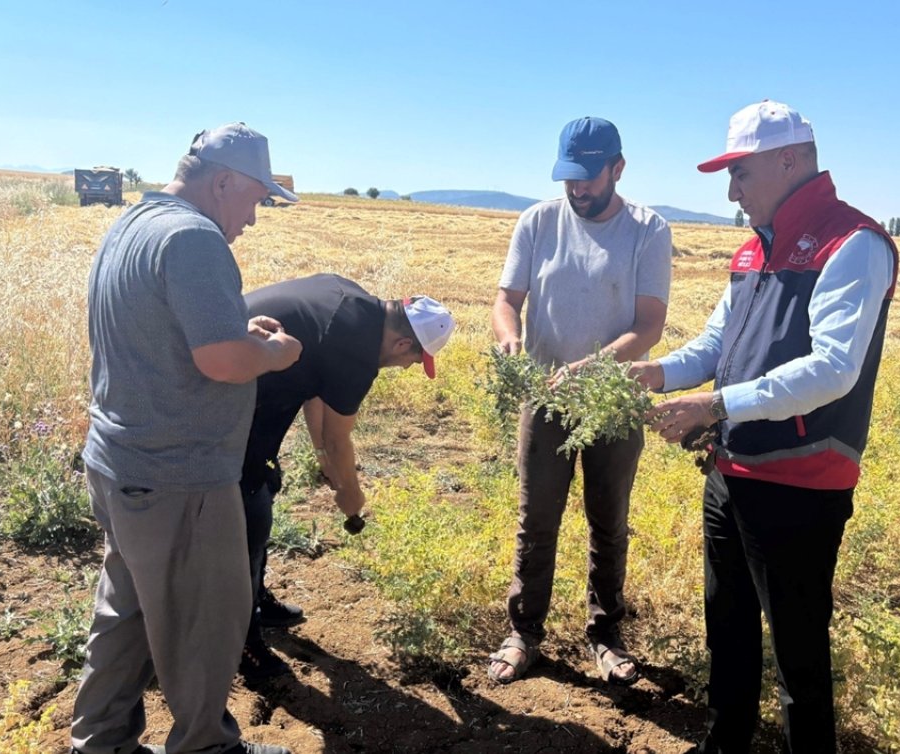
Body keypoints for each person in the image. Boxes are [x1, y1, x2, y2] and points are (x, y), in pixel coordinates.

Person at [632, 101, 898, 753]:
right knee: (728, 627)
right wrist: (656, 374)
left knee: (798, 654)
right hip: (733, 473)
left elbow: (834, 369)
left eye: (740, 173)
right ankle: (726, 744)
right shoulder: (754, 249)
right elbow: (717, 342)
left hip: (801, 482)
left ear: (789, 160)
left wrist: (715, 407)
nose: (731, 191)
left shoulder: (852, 244)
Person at [72, 123, 303, 754]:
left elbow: (174, 336)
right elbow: (222, 363)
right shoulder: (195, 238)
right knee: (205, 623)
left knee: (128, 614)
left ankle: (100, 742)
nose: (254, 219)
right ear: (223, 181)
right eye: (256, 200)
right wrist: (276, 352)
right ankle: (206, 746)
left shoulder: (132, 224)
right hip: (179, 477)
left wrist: (237, 331)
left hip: (121, 465)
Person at [487, 116, 673, 686]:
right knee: (536, 519)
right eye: (569, 177)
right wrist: (510, 340)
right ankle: (524, 633)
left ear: (618, 168)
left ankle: (605, 635)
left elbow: (649, 325)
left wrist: (591, 368)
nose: (578, 190)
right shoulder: (538, 221)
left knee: (607, 522)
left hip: (612, 401)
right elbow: (505, 302)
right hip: (545, 399)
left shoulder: (647, 230)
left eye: (589, 178)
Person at [234, 274, 455, 681]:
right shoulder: (357, 350)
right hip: (222, 401)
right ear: (404, 344)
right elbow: (339, 440)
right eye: (414, 360)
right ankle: (241, 644)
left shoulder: (350, 300)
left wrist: (326, 464)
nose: (407, 367)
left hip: (247, 388)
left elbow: (318, 395)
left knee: (264, 484)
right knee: (250, 513)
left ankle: (257, 602)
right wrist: (351, 498)